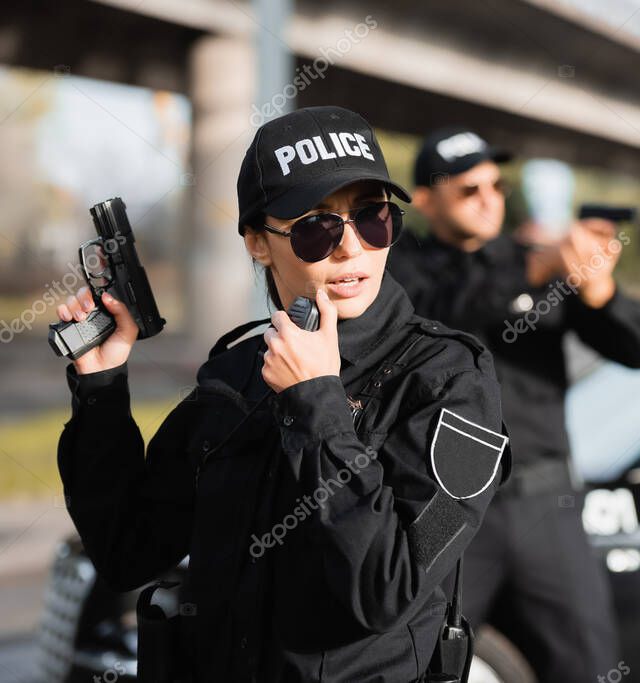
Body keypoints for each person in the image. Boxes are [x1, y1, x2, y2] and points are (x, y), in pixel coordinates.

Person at [54, 106, 510, 683]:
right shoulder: (235, 374)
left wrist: (315, 401)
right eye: (318, 226)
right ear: (257, 243)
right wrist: (101, 389)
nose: (352, 250)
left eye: (373, 218)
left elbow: (384, 590)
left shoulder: (453, 380)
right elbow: (126, 551)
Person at [387, 127, 640, 682]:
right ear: (426, 198)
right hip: (446, 508)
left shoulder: (534, 261)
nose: (490, 198)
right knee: (420, 665)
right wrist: (537, 272)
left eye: (497, 184)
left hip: (545, 506)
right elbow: (447, 312)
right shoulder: (399, 272)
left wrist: (598, 289)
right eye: (469, 189)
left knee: (589, 665)